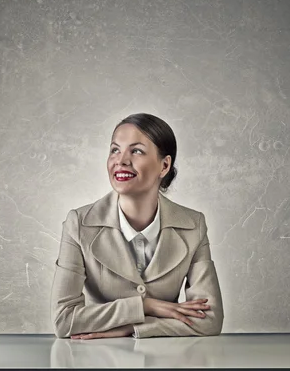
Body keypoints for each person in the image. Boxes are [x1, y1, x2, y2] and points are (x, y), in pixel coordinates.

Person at [50, 113, 223, 339]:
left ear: (164, 166)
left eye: (136, 151)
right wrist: (145, 306)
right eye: (115, 150)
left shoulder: (193, 225)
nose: (121, 160)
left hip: (168, 358)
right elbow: (64, 321)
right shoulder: (79, 224)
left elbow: (209, 321)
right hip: (96, 358)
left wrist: (133, 328)